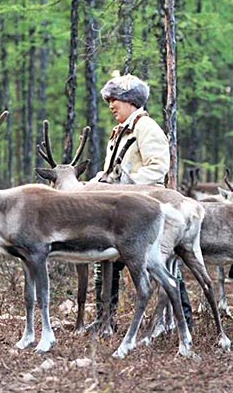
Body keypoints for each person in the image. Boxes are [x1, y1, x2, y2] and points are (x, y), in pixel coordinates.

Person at [91, 73, 193, 330]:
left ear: (131, 101)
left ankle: (185, 322)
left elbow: (158, 167)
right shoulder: (120, 132)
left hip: (145, 211)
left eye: (115, 99)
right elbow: (112, 171)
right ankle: (104, 320)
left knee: (161, 266)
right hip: (120, 211)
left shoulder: (146, 128)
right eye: (109, 100)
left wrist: (124, 185)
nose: (111, 105)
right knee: (106, 263)